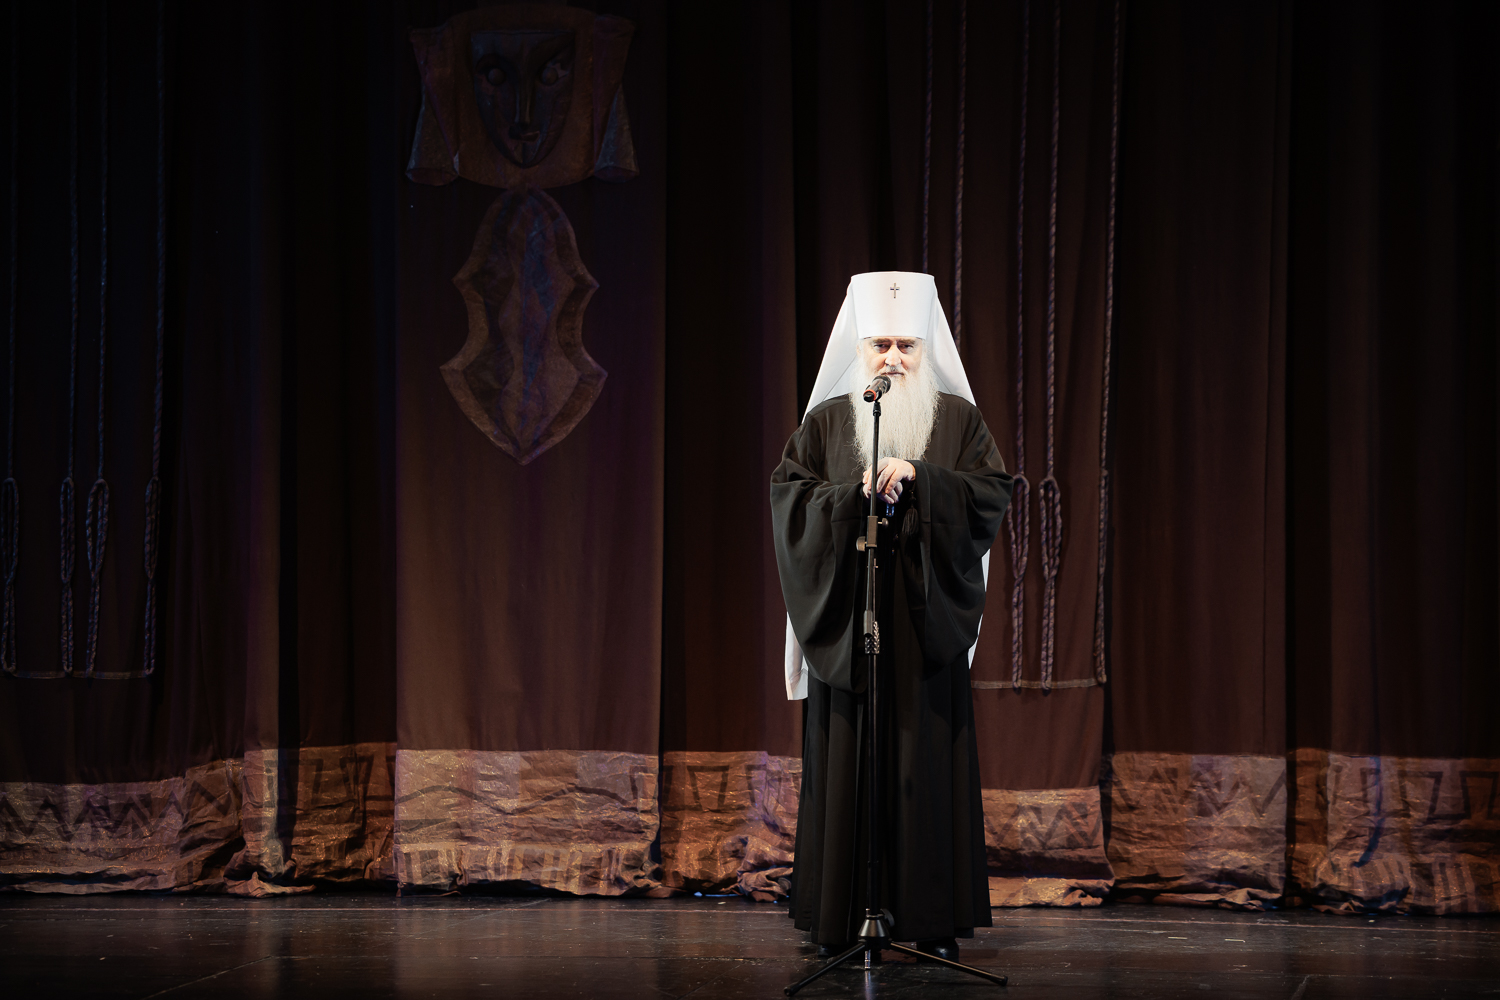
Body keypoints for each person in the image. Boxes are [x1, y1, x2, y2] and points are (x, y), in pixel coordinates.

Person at [770, 271, 1012, 959]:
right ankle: (845, 917)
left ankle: (929, 922)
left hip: (925, 626)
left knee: (925, 768)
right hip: (852, 624)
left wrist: (922, 479)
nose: (894, 359)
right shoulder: (826, 423)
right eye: (881, 345)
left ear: (925, 349)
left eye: (907, 346)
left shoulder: (959, 421)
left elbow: (991, 493)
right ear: (861, 348)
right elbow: (790, 501)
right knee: (850, 762)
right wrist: (853, 499)